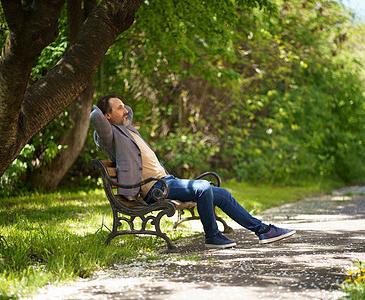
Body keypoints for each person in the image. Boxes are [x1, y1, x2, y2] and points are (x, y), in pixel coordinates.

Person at [90, 93, 296, 249]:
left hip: (166, 181)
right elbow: (96, 117)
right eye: (119, 108)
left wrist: (120, 108)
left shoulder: (127, 129)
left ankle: (264, 230)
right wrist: (93, 106)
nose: (125, 109)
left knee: (222, 194)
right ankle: (212, 236)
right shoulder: (110, 137)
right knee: (203, 187)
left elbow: (128, 112)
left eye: (124, 106)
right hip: (155, 188)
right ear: (107, 116)